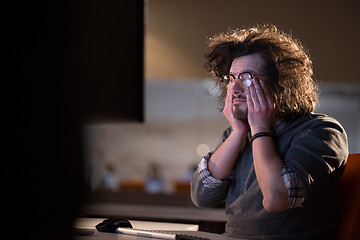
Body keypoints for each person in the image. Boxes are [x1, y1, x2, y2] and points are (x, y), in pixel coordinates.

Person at [191, 24, 348, 239]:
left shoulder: (321, 132)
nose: (235, 88)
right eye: (231, 78)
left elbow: (276, 199)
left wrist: (260, 130)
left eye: (246, 78)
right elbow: (202, 196)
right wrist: (238, 133)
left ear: (280, 84)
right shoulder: (237, 134)